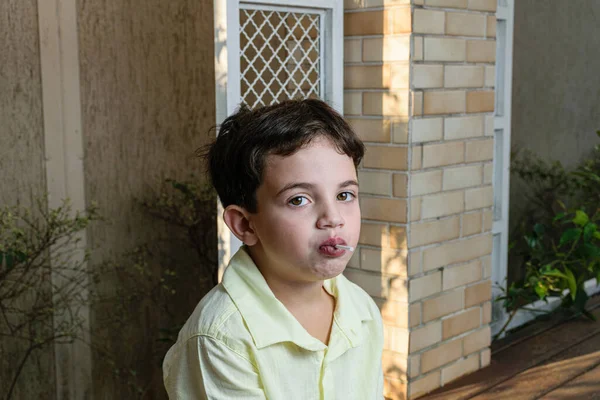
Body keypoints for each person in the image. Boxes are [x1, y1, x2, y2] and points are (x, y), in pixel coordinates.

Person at [162, 99, 384, 399]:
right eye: (299, 200)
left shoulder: (361, 311)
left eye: (345, 194)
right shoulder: (221, 339)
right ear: (244, 225)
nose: (334, 219)